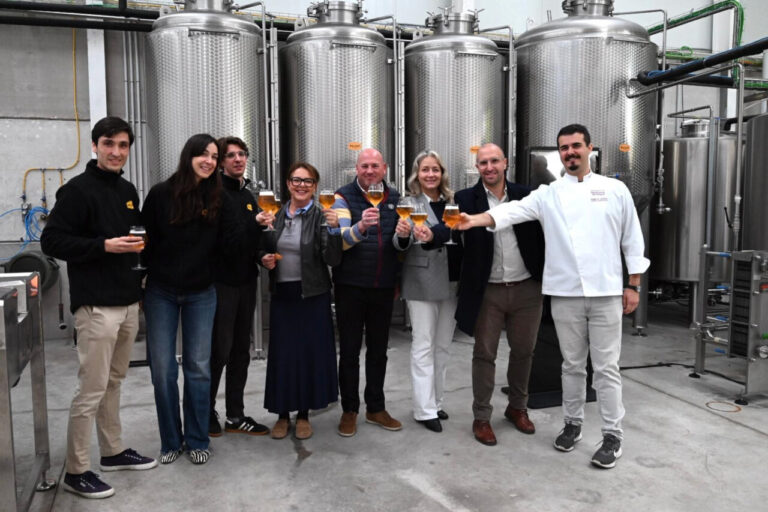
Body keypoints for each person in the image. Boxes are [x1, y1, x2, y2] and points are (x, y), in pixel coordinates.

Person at [456, 124, 649, 468]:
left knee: (605, 368)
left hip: (606, 292)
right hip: (565, 293)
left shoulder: (615, 189)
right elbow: (509, 213)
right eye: (564, 148)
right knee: (572, 366)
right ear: (559, 153)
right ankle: (572, 424)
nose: (570, 152)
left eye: (576, 146)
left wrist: (633, 284)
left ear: (589, 147)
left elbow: (631, 239)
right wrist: (473, 221)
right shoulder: (548, 194)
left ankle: (612, 434)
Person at [41, 116, 157, 499]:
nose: (116, 151)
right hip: (96, 307)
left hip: (126, 304)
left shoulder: (127, 190)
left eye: (123, 145)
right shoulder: (76, 191)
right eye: (109, 143)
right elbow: (52, 241)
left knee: (114, 383)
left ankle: (112, 451)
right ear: (95, 146)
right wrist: (103, 246)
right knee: (90, 390)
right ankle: (77, 470)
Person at [141, 133, 260, 465]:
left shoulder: (218, 197)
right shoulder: (161, 194)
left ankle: (196, 437)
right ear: (189, 155)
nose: (208, 161)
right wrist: (138, 286)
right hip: (161, 291)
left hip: (201, 293)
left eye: (213, 156)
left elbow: (230, 243)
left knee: (198, 368)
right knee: (163, 370)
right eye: (203, 155)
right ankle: (170, 440)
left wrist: (257, 226)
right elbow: (145, 243)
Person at [453, 143, 545, 447]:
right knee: (484, 354)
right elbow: (452, 236)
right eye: (483, 163)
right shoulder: (466, 199)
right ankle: (482, 417)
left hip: (527, 288)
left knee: (524, 352)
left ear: (506, 162)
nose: (489, 167)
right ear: (477, 167)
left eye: (494, 161)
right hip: (488, 291)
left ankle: (517, 408)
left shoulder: (528, 195)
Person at [259, 162, 342, 440]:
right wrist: (265, 258)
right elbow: (264, 247)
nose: (302, 185)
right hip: (283, 293)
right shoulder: (276, 214)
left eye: (308, 181)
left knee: (308, 354)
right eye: (297, 180)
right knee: (283, 355)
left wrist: (334, 231)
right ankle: (282, 414)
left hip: (313, 294)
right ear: (288, 184)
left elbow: (333, 259)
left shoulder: (321, 216)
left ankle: (304, 413)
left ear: (315, 187)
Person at [332, 148, 402, 437]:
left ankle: (375, 407)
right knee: (349, 351)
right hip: (350, 285)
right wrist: (361, 227)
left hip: (383, 286)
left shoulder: (396, 198)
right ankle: (350, 410)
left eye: (375, 165)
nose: (370, 170)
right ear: (356, 169)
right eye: (364, 166)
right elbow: (341, 240)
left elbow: (400, 242)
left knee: (378, 351)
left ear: (384, 168)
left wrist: (406, 237)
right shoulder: (342, 196)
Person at [393, 150, 460, 433]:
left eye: (435, 169)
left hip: (452, 281)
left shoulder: (453, 202)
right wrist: (403, 234)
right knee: (423, 344)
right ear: (416, 174)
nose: (431, 174)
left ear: (442, 173)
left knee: (443, 345)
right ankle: (423, 409)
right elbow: (398, 244)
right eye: (425, 170)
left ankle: (437, 400)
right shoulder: (408, 203)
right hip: (421, 280)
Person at [208, 136, 269, 438]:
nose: (237, 159)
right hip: (221, 283)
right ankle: (206, 411)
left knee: (241, 352)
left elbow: (250, 241)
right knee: (218, 350)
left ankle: (235, 414)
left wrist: (262, 254)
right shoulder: (214, 194)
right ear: (220, 161)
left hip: (246, 281)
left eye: (242, 154)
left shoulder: (247, 194)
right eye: (230, 155)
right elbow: (222, 241)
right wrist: (254, 224)